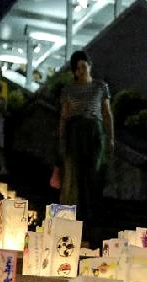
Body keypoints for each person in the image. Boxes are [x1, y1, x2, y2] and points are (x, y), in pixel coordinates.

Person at [52, 50, 114, 224]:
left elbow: (107, 113)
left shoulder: (100, 86)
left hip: (94, 130)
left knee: (93, 172)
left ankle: (92, 214)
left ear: (89, 65)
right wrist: (62, 139)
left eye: (83, 65)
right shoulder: (68, 89)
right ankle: (77, 215)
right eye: (77, 67)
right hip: (75, 131)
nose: (81, 70)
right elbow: (64, 116)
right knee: (75, 174)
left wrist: (110, 137)